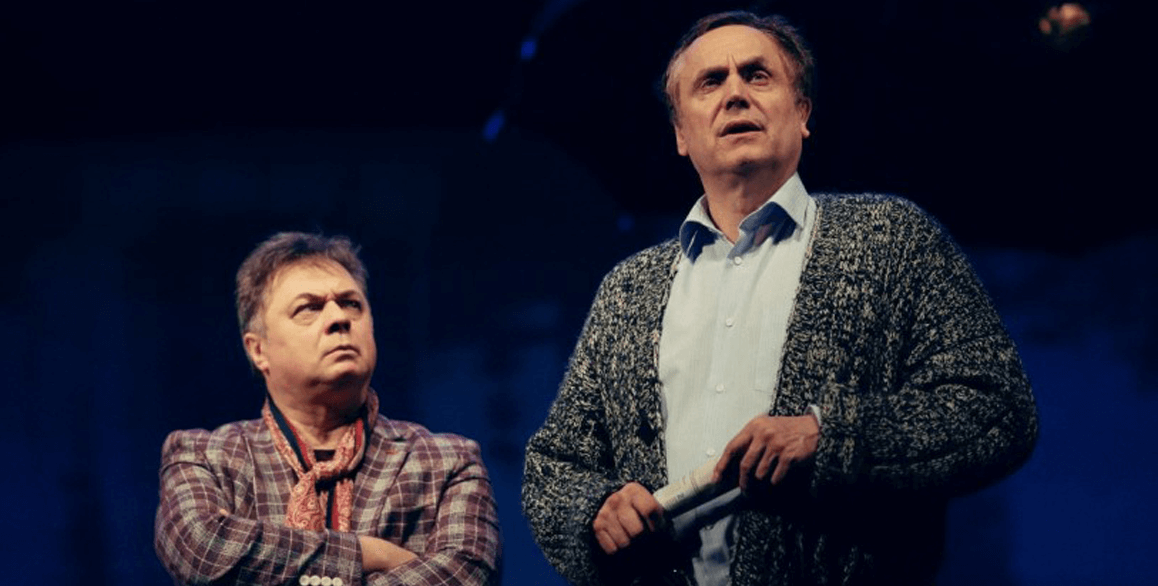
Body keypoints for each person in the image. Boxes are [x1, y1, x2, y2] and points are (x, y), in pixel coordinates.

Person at [522, 10, 1038, 586]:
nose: (735, 94)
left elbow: (997, 409)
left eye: (757, 75)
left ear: (802, 113)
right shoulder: (628, 290)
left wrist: (828, 436)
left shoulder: (891, 240)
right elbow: (556, 467)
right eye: (710, 82)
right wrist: (596, 509)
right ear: (681, 134)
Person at [155, 232, 501, 586]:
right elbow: (202, 550)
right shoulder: (207, 457)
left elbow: (468, 572)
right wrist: (373, 554)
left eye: (351, 304)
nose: (339, 318)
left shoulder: (446, 463)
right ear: (258, 350)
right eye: (309, 308)